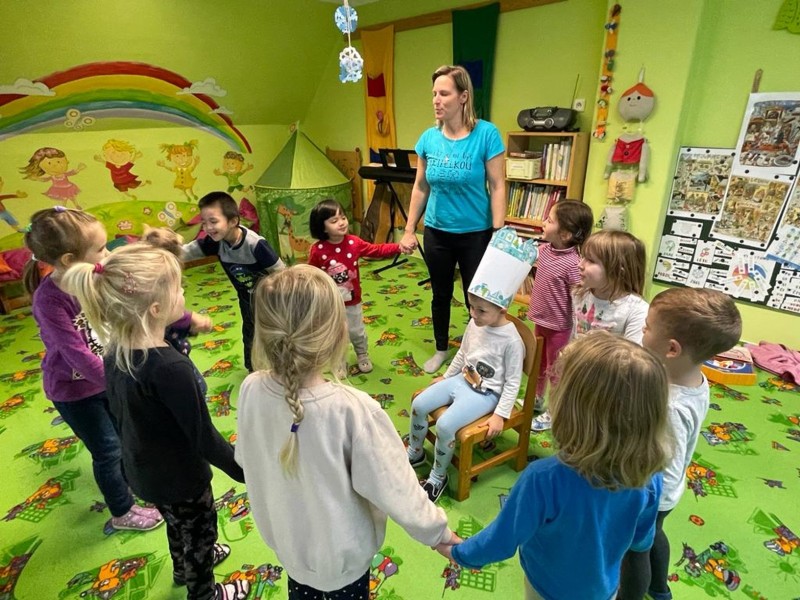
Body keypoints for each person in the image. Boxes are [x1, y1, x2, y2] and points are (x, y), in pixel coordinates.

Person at [235, 265, 457, 599]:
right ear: (339, 332)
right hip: (345, 568)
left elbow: (246, 459)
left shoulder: (251, 388)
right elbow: (397, 488)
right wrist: (438, 534)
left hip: (290, 552)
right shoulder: (354, 411)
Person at [62, 244, 249, 600]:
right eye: (179, 289)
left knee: (177, 524)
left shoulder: (115, 351)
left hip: (142, 471)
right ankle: (204, 592)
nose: (184, 294)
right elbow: (204, 437)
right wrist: (244, 470)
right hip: (182, 477)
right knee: (200, 533)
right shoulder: (170, 368)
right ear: (156, 309)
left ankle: (182, 567)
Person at [439, 332, 671, 600]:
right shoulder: (650, 477)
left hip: (545, 589)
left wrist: (459, 553)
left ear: (570, 409)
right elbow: (640, 542)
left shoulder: (544, 479)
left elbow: (502, 539)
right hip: (603, 590)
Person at [22, 207, 163, 532]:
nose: (107, 254)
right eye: (100, 249)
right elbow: (76, 354)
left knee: (127, 438)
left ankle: (136, 487)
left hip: (109, 379)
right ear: (70, 260)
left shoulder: (97, 278)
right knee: (108, 450)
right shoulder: (49, 301)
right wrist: (120, 383)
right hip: (75, 393)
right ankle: (122, 511)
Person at [619, 288, 742, 600]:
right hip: (665, 491)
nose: (642, 331)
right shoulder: (692, 378)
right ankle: (660, 589)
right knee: (653, 537)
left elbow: (667, 466)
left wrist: (649, 502)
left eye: (647, 327)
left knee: (633, 551)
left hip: (652, 492)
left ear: (672, 349)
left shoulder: (671, 406)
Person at [399, 64, 506, 374]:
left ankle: (479, 352)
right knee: (441, 293)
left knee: (477, 298)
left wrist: (498, 230)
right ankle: (441, 348)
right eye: (434, 93)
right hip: (437, 232)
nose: (436, 100)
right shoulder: (428, 139)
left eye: (444, 93)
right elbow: (420, 187)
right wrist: (409, 229)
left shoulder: (486, 134)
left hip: (476, 233)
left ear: (463, 97)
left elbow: (498, 185)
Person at [406, 292, 523, 503]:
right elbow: (462, 353)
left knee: (444, 425)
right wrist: (446, 376)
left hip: (487, 394)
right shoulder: (475, 323)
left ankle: (438, 477)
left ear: (502, 309)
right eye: (471, 307)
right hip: (462, 379)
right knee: (419, 403)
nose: (473, 314)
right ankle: (416, 453)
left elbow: (513, 382)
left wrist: (500, 414)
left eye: (481, 310)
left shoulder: (512, 341)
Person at [533, 229, 650, 432]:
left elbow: (633, 359)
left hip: (608, 380)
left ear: (618, 270)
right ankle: (555, 414)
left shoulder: (636, 309)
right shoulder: (580, 293)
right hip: (577, 367)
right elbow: (575, 328)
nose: (580, 264)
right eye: (583, 256)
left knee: (594, 423)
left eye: (591, 260)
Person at [182, 191, 285, 371]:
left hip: (271, 299)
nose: (208, 228)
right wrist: (163, 251)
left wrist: (277, 294)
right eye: (204, 223)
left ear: (233, 221)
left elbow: (281, 272)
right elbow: (188, 251)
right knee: (250, 331)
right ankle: (253, 369)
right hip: (246, 297)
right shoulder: (215, 242)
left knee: (275, 332)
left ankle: (283, 366)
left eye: (213, 221)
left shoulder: (256, 245)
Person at [308, 198, 409, 375]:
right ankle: (339, 360)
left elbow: (376, 250)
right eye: (334, 221)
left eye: (343, 218)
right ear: (323, 227)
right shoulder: (318, 250)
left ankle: (362, 354)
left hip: (352, 301)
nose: (341, 223)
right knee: (335, 333)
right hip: (330, 303)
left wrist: (398, 247)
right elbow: (311, 273)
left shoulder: (354, 243)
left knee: (356, 331)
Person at [525, 200, 593, 413]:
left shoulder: (573, 263)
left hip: (559, 328)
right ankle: (537, 398)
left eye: (550, 220)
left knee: (555, 369)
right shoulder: (544, 250)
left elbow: (579, 297)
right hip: (540, 320)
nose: (544, 223)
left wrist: (579, 329)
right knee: (538, 363)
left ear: (565, 234)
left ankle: (555, 409)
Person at [141, 225, 213, 357]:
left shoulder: (147, 278)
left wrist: (190, 324)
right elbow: (167, 310)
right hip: (164, 346)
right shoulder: (158, 284)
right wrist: (190, 319)